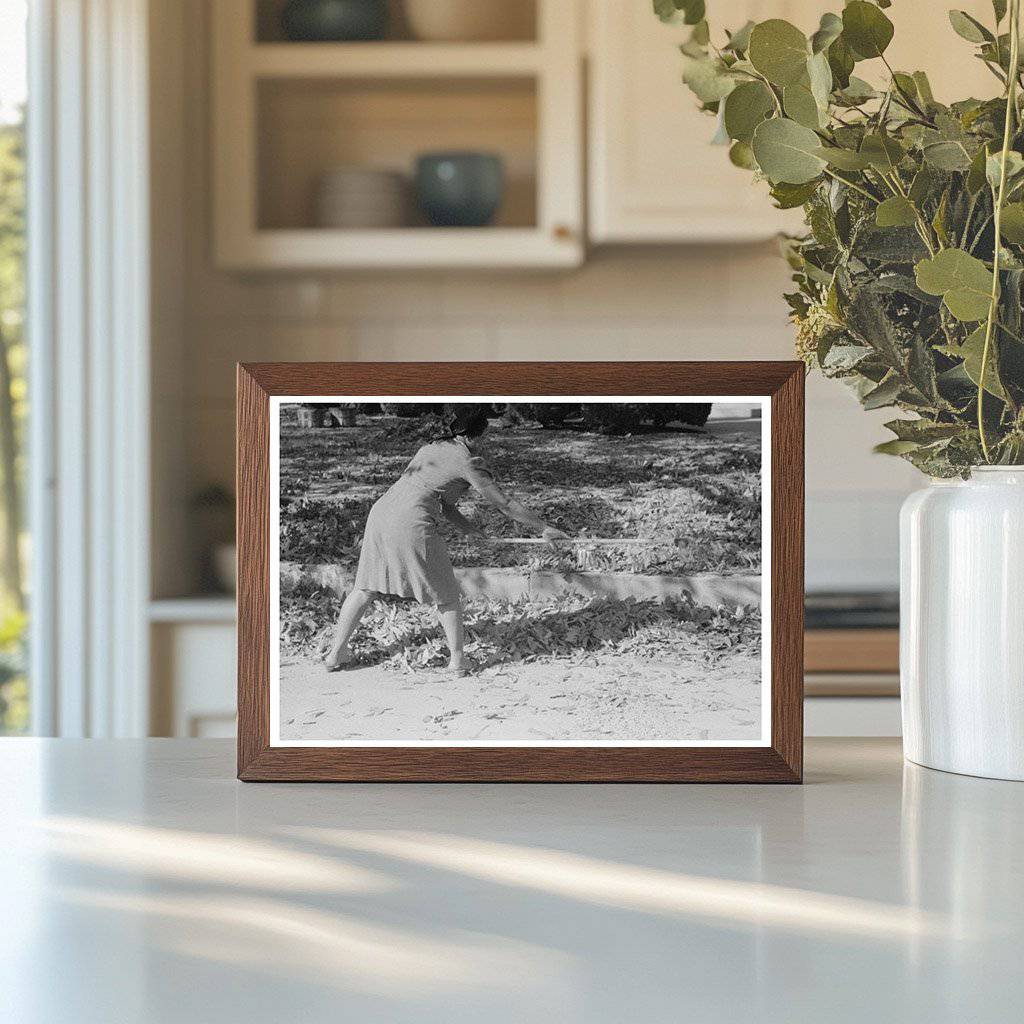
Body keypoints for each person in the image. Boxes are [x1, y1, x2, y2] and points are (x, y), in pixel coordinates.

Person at [325, 404, 569, 676]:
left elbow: (443, 502)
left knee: (365, 588)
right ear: (482, 432)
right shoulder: (469, 462)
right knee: (447, 596)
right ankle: (457, 660)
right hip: (411, 522)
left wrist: (467, 528)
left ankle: (336, 653)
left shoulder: (430, 449)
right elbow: (505, 504)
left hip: (381, 514)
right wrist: (544, 527)